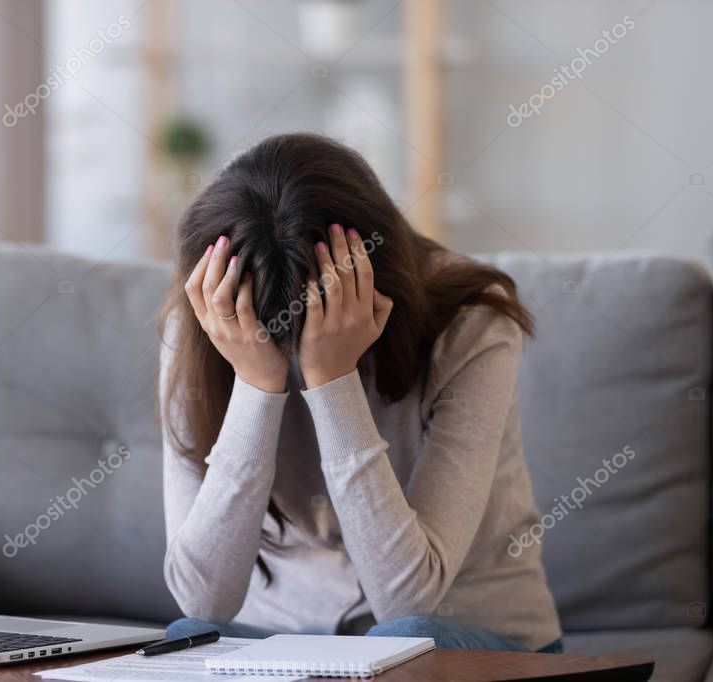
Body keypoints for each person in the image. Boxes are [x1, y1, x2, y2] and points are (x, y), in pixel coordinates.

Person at [157, 133, 562, 653]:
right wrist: (257, 385)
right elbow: (202, 601)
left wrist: (333, 381)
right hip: (293, 642)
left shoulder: (474, 323)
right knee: (190, 639)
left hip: (463, 639)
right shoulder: (203, 325)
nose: (296, 352)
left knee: (404, 639)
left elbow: (407, 602)